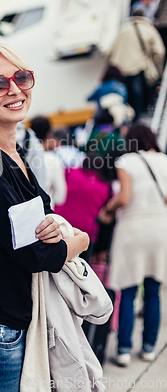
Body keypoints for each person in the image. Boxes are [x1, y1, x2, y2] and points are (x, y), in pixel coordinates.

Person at [0, 42, 89, 391]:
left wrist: (55, 233)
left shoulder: (12, 153)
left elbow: (43, 220)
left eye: (21, 77)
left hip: (9, 321)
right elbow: (34, 253)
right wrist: (81, 240)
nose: (14, 89)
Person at [99, 124, 167, 367]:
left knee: (127, 290)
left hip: (133, 229)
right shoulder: (164, 160)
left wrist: (108, 208)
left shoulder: (126, 161)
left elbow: (125, 198)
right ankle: (149, 348)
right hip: (160, 229)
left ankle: (124, 350)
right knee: (153, 290)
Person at [106, 9, 165, 120]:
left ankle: (124, 121)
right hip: (137, 68)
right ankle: (136, 121)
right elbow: (159, 52)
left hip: (119, 70)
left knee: (122, 99)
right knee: (137, 97)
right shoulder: (149, 29)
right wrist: (158, 69)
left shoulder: (122, 29)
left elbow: (108, 52)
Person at [54, 151, 110, 263]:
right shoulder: (105, 186)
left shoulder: (69, 172)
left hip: (60, 224)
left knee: (55, 261)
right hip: (85, 232)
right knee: (79, 267)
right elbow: (105, 212)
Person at [30, 115, 66, 208]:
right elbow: (60, 198)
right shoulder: (52, 160)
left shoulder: (20, 158)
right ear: (48, 135)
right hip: (47, 214)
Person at [154, 0, 167, 67]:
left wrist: (156, 17)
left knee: (162, 48)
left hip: (163, 24)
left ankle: (160, 68)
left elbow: (159, 7)